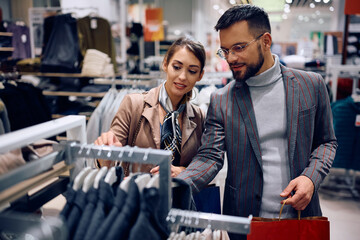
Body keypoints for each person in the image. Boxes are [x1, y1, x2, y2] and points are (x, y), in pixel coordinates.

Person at [177, 4, 337, 237]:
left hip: (301, 216)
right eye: (225, 50)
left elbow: (326, 142)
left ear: (266, 40)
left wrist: (310, 178)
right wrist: (180, 183)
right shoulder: (222, 100)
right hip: (244, 222)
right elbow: (210, 157)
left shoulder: (311, 85)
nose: (231, 58)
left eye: (239, 47)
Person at [95, 37, 206, 177]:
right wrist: (105, 153)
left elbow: (203, 164)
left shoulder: (199, 117)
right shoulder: (133, 104)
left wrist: (183, 171)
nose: (183, 76)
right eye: (177, 67)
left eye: (192, 71)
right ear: (165, 64)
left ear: (200, 75)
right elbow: (108, 158)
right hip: (138, 195)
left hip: (179, 197)